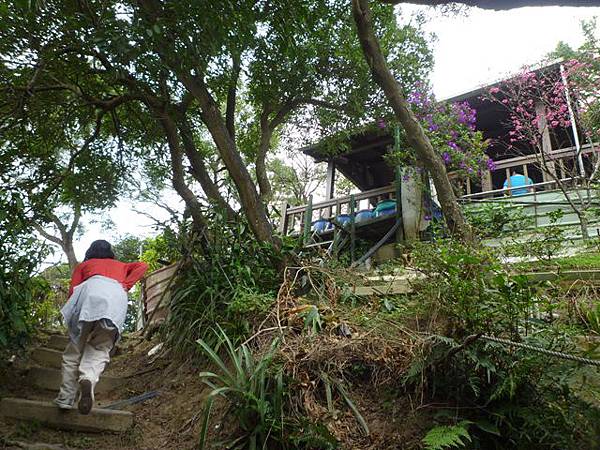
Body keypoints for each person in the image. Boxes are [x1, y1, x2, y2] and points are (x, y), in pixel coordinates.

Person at [54, 240, 148, 414]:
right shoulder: (121, 265)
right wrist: (125, 285)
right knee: (100, 347)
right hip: (115, 298)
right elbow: (143, 265)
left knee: (74, 351)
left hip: (88, 294)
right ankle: (88, 378)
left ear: (90, 251)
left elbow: (73, 290)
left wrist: (73, 319)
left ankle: (66, 398)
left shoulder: (85, 265)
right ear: (111, 252)